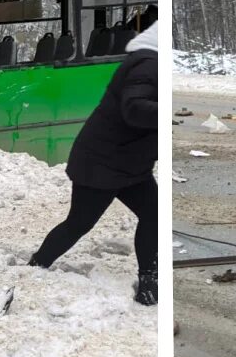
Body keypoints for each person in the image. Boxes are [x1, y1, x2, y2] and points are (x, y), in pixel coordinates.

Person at [30, 21, 159, 304]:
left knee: (154, 214)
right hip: (102, 164)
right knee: (79, 223)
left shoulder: (149, 61)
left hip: (128, 163)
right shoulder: (148, 65)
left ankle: (150, 280)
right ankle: (36, 265)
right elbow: (134, 109)